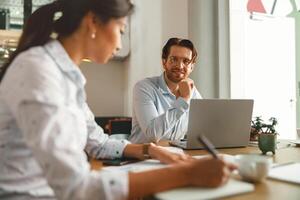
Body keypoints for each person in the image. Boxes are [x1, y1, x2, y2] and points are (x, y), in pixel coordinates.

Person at [0, 0, 236, 199]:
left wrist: (152, 150)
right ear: (93, 22)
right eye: (121, 30)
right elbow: (76, 187)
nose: (120, 44)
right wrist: (188, 173)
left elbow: (99, 144)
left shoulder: (68, 76)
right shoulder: (39, 71)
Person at [130, 38, 202, 143]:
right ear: (164, 62)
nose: (180, 66)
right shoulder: (143, 87)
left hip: (175, 155)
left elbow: (203, 129)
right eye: (174, 59)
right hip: (143, 156)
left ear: (192, 67)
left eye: (186, 61)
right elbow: (152, 135)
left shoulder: (193, 93)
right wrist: (184, 100)